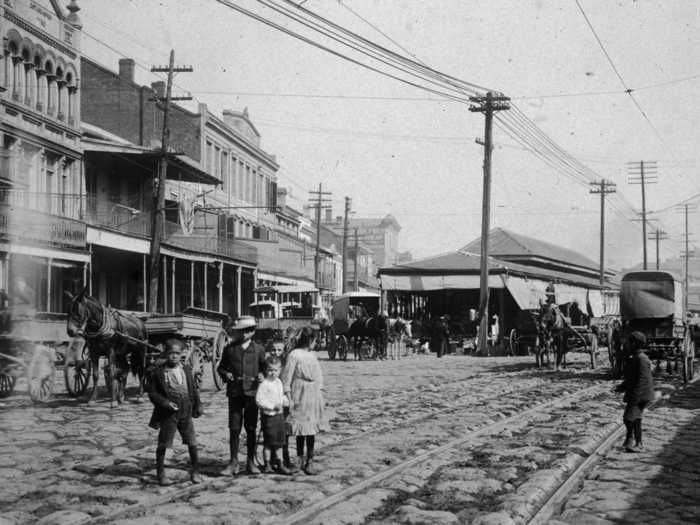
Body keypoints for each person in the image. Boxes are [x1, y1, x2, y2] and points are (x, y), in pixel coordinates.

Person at [146, 338, 203, 486]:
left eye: (177, 354)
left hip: (186, 411)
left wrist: (198, 404)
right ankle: (161, 474)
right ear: (166, 354)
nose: (174, 356)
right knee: (164, 444)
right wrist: (165, 403)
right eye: (171, 353)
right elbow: (152, 392)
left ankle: (195, 471)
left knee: (192, 442)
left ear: (181, 355)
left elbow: (193, 390)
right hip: (168, 414)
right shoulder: (158, 372)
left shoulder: (186, 369)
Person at [217, 315, 267, 475]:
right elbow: (221, 368)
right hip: (235, 393)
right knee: (234, 428)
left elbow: (265, 369)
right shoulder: (230, 349)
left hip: (252, 394)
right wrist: (226, 374)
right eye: (240, 331)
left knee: (251, 428)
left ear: (252, 332)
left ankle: (250, 462)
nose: (242, 334)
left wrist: (262, 375)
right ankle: (233, 462)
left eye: (246, 331)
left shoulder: (259, 350)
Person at [281, 326, 329, 475]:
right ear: (310, 340)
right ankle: (300, 458)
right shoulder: (294, 355)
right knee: (301, 429)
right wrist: (289, 398)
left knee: (311, 430)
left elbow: (319, 377)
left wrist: (320, 393)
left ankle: (310, 459)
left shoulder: (313, 356)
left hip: (312, 396)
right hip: (299, 395)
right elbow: (286, 379)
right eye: (314, 340)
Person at [614, 331, 655, 453]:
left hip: (640, 394)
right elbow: (632, 377)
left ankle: (632, 441)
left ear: (634, 344)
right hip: (639, 394)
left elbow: (642, 380)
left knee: (629, 418)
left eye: (628, 342)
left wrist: (635, 397)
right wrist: (621, 387)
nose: (626, 344)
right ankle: (636, 443)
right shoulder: (636, 357)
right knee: (635, 418)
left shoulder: (642, 359)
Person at [255, 356, 292, 475]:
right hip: (269, 416)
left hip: (279, 416)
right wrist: (271, 406)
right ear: (266, 370)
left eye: (275, 370)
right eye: (270, 370)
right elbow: (259, 400)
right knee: (268, 443)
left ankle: (280, 464)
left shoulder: (279, 382)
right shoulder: (264, 384)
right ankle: (267, 464)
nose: (272, 373)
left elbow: (280, 397)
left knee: (279, 442)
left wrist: (287, 402)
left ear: (280, 370)